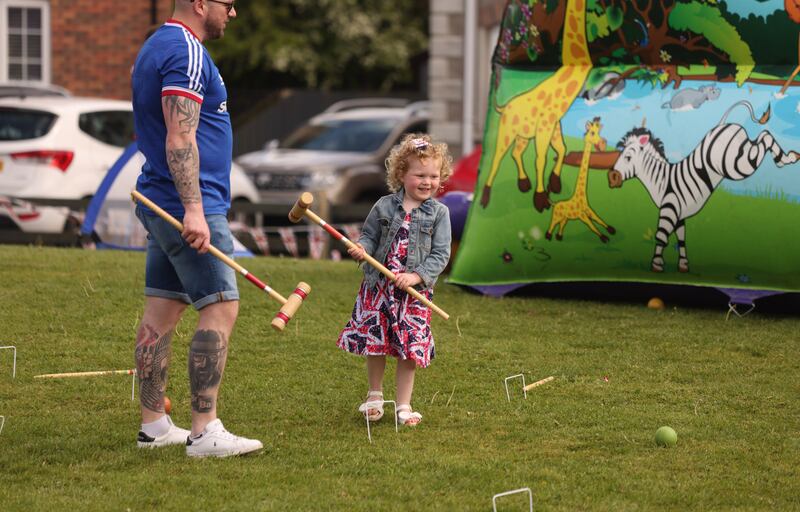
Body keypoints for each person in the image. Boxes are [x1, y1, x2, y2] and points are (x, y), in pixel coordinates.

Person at [130, 0, 262, 458]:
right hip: (186, 205)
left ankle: (154, 426)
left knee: (160, 315)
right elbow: (180, 135)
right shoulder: (184, 50)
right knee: (221, 307)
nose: (234, 12)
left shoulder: (159, 44)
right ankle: (204, 431)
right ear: (200, 4)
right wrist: (195, 209)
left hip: (164, 199)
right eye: (228, 4)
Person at [337, 133, 453, 426]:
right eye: (420, 175)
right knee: (376, 343)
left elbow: (440, 255)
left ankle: (403, 405)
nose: (427, 182)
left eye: (433, 176)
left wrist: (416, 276)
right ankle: (374, 396)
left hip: (413, 295)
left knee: (408, 349)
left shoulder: (440, 214)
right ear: (402, 174)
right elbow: (369, 237)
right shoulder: (384, 206)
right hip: (379, 289)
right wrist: (361, 248)